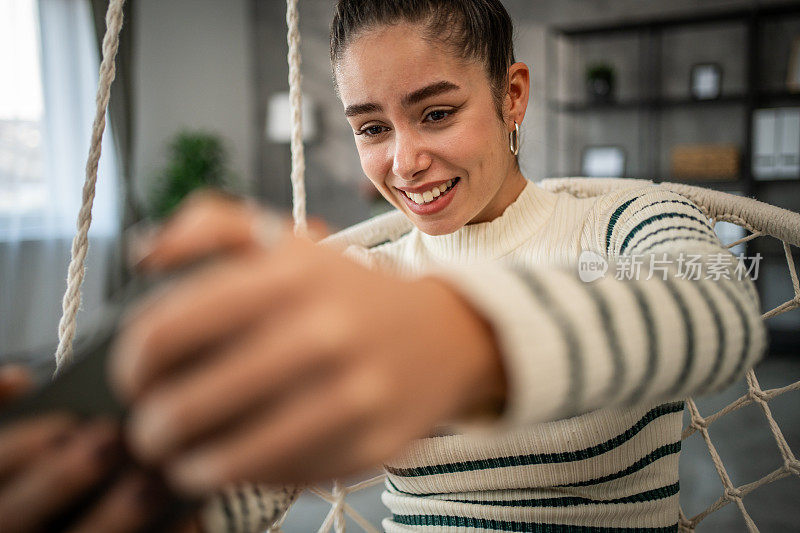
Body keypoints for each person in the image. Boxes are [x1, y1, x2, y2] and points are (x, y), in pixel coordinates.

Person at [0, 0, 766, 531]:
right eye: (372, 126)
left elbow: (718, 309)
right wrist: (149, 493)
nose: (404, 161)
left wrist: (463, 338)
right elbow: (265, 470)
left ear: (511, 96)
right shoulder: (368, 281)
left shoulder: (627, 216)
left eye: (436, 113)